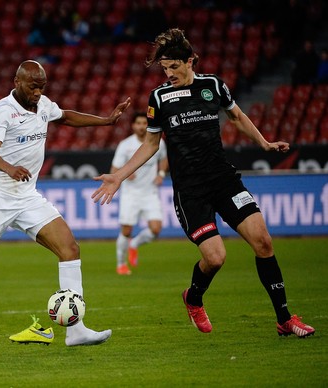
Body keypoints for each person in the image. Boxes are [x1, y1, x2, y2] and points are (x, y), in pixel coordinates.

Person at [92, 28, 315, 338]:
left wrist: (264, 143)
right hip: (191, 191)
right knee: (216, 258)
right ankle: (193, 298)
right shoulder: (159, 97)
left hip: (224, 180)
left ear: (190, 61)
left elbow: (236, 116)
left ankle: (284, 319)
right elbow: (150, 145)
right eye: (164, 68)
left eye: (173, 66)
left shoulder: (213, 86)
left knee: (263, 241)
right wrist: (118, 175)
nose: (168, 73)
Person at [0, 60, 131, 349]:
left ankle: (76, 330)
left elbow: (65, 116)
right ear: (17, 82)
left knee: (69, 249)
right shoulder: (2, 110)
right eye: (33, 87)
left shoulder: (43, 104)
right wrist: (9, 168)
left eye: (42, 87)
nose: (38, 92)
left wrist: (106, 120)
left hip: (27, 195)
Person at [111, 112, 168, 275]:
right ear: (133, 126)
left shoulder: (158, 142)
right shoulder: (125, 145)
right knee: (126, 230)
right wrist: (126, 173)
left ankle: (134, 244)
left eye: (145, 123)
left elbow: (164, 159)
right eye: (139, 123)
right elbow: (114, 170)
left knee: (156, 229)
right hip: (131, 194)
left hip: (150, 193)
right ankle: (121, 264)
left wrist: (161, 174)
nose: (142, 126)